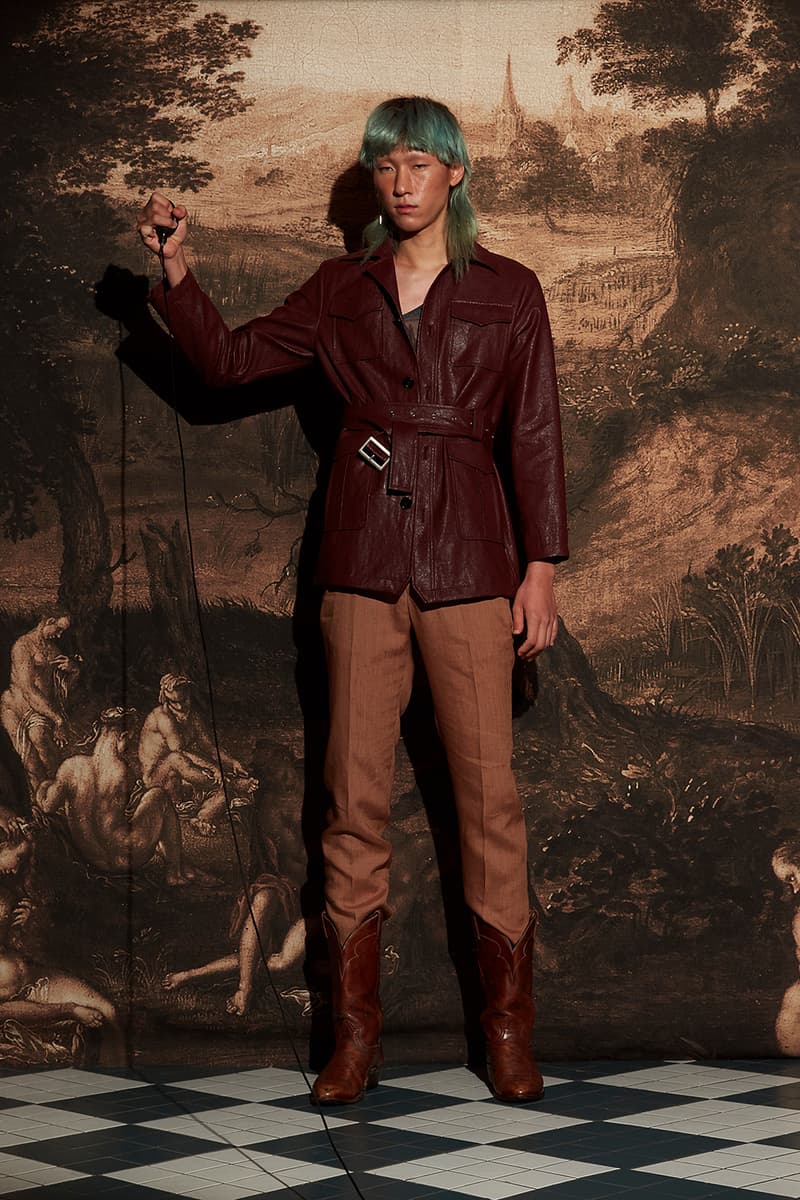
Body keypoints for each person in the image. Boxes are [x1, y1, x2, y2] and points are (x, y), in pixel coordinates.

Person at [137, 96, 568, 1105]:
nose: (402, 181)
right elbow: (228, 364)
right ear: (373, 181)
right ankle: (353, 1039)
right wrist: (175, 274)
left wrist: (541, 568)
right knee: (350, 802)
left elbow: (536, 433)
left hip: (470, 566)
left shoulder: (509, 289)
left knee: (489, 803)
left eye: (420, 163)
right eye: (386, 166)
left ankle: (509, 1034)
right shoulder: (339, 288)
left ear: (455, 173)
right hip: (360, 562)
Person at [36, 706, 209, 886]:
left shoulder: (70, 767)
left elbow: (47, 806)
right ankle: (174, 872)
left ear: (99, 731)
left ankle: (179, 866)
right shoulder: (124, 772)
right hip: (126, 859)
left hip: (92, 859)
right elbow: (133, 813)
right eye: (129, 740)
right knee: (159, 796)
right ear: (123, 737)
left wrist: (43, 786)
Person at [138, 674, 258, 836]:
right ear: (165, 699)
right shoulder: (162, 717)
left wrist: (232, 762)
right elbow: (179, 752)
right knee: (175, 759)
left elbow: (209, 747)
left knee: (224, 789)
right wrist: (214, 768)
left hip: (181, 776)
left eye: (183, 700)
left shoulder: (193, 716)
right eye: (174, 702)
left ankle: (203, 818)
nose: (180, 707)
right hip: (156, 778)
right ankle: (234, 784)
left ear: (189, 694)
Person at [0, 612, 80, 795]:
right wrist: (57, 719)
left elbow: (60, 690)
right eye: (58, 629)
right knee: (30, 762)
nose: (59, 635)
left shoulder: (54, 650)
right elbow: (28, 689)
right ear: (49, 621)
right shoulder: (22, 646)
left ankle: (55, 795)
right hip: (15, 707)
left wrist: (74, 671)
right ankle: (40, 804)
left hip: (40, 710)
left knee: (42, 741)